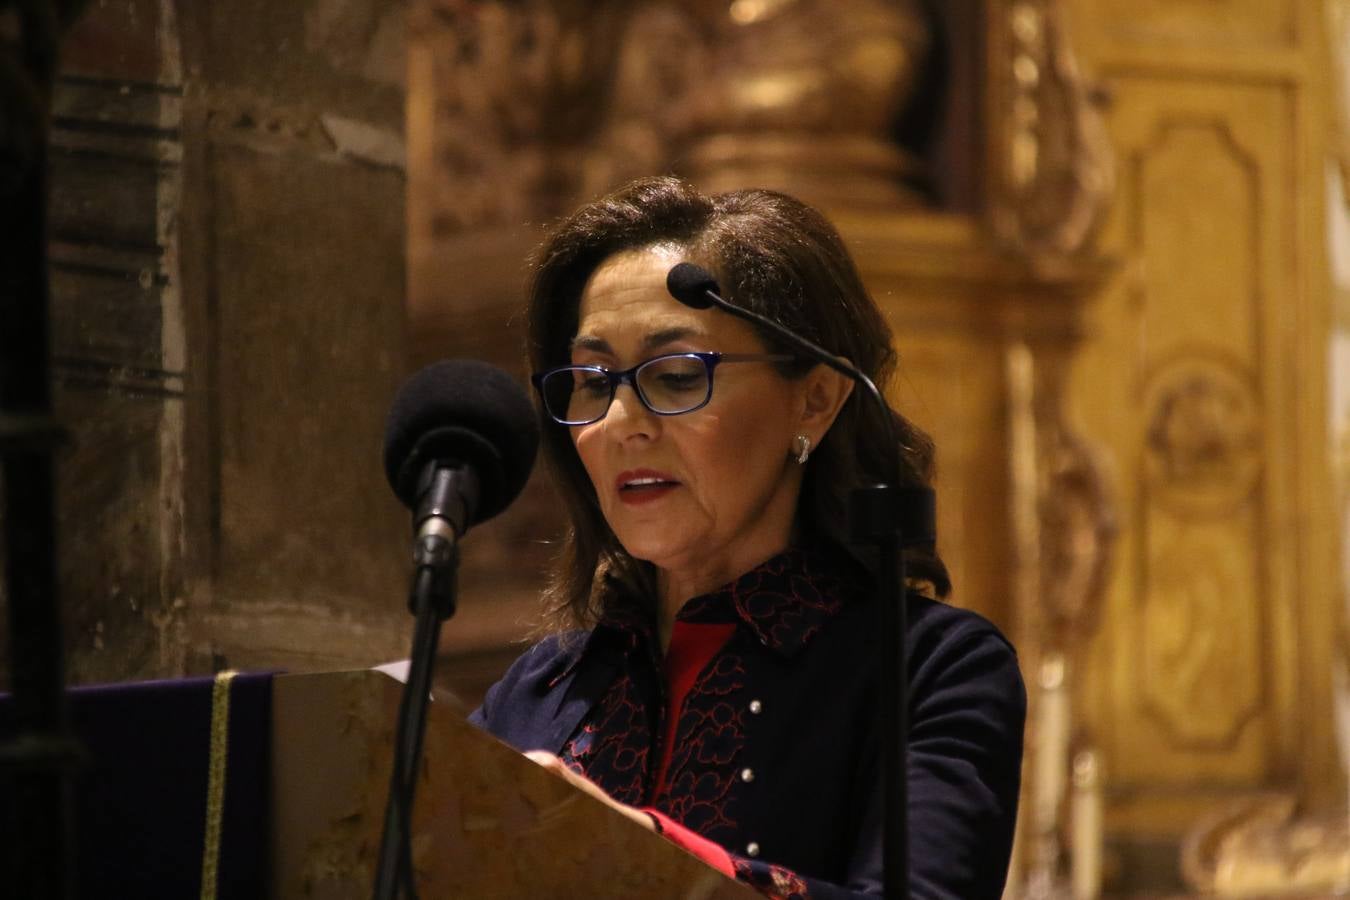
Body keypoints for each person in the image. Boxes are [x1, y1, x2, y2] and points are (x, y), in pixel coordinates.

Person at [469, 176, 1025, 899]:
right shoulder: (540, 691)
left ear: (815, 400)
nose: (621, 422)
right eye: (592, 380)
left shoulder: (930, 667)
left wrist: (640, 852)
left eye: (674, 375)